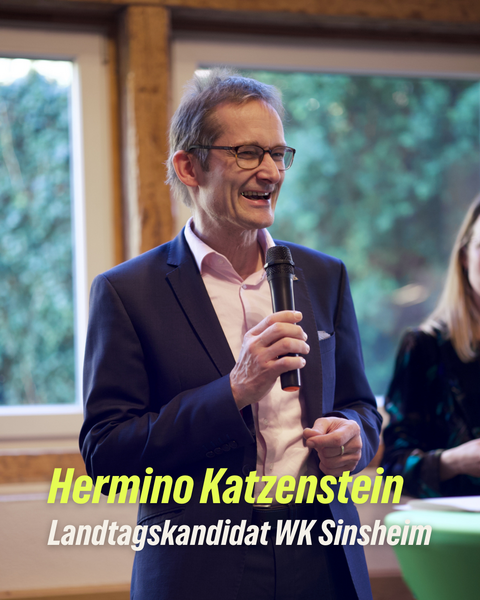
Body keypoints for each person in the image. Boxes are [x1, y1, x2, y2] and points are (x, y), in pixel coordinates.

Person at [80, 69, 381, 600]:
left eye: (278, 154)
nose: (271, 172)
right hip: (200, 567)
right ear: (188, 167)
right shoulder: (127, 292)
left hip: (324, 557)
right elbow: (107, 455)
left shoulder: (323, 275)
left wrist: (354, 436)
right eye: (247, 153)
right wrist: (234, 389)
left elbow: (361, 406)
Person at [382, 194, 480, 498]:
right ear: (465, 257)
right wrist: (454, 461)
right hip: (456, 524)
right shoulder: (424, 347)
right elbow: (393, 468)